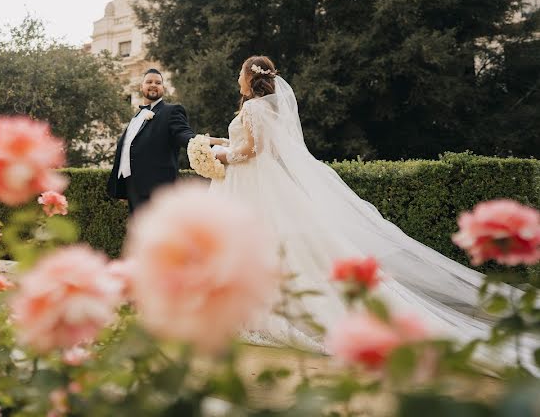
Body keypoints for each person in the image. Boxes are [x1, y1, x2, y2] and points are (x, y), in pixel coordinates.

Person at [209, 55, 536, 371]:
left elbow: (252, 150)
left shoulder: (253, 107)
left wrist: (222, 154)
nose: (238, 79)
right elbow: (252, 143)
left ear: (251, 77)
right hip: (256, 182)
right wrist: (216, 142)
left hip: (254, 183)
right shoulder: (262, 109)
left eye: (241, 73)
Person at [107, 68, 197, 213]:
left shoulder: (172, 111)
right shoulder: (136, 117)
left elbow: (183, 133)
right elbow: (127, 149)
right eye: (149, 82)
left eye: (158, 82)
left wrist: (199, 143)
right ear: (141, 87)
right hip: (133, 188)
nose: (153, 85)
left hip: (159, 190)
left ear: (163, 88)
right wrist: (123, 186)